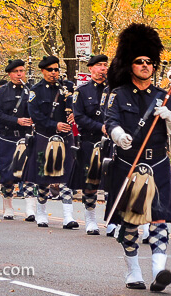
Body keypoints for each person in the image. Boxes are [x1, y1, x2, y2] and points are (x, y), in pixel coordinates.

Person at [104, 23, 171, 292]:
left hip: (159, 164)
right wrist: (119, 136)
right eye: (139, 61)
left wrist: (169, 116)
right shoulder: (118, 94)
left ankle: (158, 272)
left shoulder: (163, 97)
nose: (145, 66)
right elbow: (110, 121)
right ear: (130, 65)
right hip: (129, 163)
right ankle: (133, 271)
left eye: (149, 62)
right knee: (130, 223)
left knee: (159, 220)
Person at [26, 55, 78, 229]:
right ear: (43, 71)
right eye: (50, 70)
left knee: (66, 176)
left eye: (56, 69)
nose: (54, 73)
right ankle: (41, 213)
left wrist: (74, 114)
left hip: (65, 138)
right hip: (44, 137)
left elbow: (78, 105)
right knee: (43, 177)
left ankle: (68, 216)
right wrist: (55, 124)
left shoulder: (68, 87)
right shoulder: (36, 90)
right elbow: (35, 115)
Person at [71, 54, 109, 234]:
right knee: (90, 182)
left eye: (105, 65)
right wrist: (100, 127)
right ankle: (91, 219)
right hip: (90, 141)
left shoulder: (114, 90)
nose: (103, 68)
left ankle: (112, 221)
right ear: (91, 68)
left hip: (111, 142)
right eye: (99, 65)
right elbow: (79, 117)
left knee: (112, 182)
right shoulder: (82, 91)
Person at [0, 59, 34, 220]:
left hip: (26, 137)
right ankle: (8, 206)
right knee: (8, 175)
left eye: (21, 71)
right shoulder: (2, 92)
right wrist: (17, 121)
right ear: (9, 74)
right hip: (8, 138)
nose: (19, 74)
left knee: (28, 174)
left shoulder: (31, 90)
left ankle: (30, 208)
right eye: (16, 72)